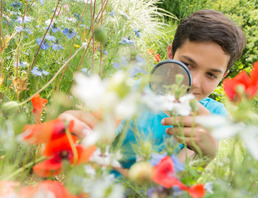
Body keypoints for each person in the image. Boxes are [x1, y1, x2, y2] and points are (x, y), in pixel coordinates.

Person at [59, 9, 246, 175]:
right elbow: (92, 150)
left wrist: (206, 154)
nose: (194, 83)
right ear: (170, 54)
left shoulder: (212, 115)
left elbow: (170, 182)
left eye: (211, 75)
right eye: (188, 65)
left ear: (223, 76)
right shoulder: (129, 94)